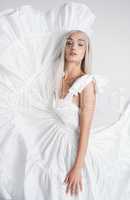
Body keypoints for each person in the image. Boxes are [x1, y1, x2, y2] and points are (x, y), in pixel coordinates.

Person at [0, 2, 130, 200]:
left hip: (72, 148)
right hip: (51, 139)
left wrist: (77, 167)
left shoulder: (87, 84)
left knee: (64, 189)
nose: (74, 47)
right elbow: (31, 86)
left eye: (80, 43)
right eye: (69, 42)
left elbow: (85, 130)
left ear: (86, 51)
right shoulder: (56, 76)